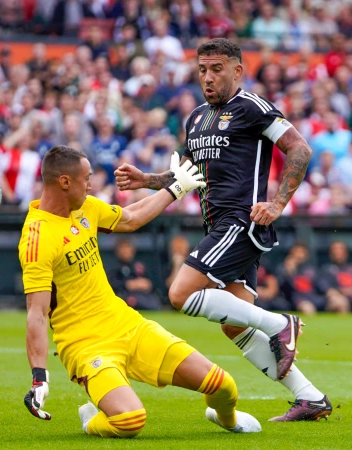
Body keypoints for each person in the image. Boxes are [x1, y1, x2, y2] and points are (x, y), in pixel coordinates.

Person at [114, 38, 331, 422]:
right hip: (217, 225)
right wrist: (146, 179)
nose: (207, 77)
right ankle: (310, 398)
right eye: (202, 70)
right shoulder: (196, 117)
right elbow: (185, 174)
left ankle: (283, 324)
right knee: (234, 325)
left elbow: (300, 149)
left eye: (216, 69)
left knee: (179, 293)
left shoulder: (253, 107)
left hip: (241, 222)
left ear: (237, 71)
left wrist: (278, 203)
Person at [19, 145, 262, 438]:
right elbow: (36, 313)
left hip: (127, 325)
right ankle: (91, 419)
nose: (92, 185)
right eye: (87, 178)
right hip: (85, 344)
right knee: (130, 420)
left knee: (223, 385)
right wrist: (39, 378)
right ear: (65, 182)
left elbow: (131, 217)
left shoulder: (86, 207)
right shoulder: (37, 238)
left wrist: (175, 189)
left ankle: (227, 419)